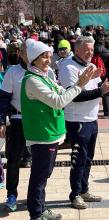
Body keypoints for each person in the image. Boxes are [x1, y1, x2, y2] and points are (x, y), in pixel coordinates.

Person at [21, 39, 96, 220]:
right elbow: (59, 101)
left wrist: (81, 82)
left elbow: (62, 92)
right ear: (33, 59)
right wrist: (79, 84)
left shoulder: (44, 77)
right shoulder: (32, 80)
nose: (49, 60)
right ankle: (36, 213)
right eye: (44, 57)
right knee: (39, 177)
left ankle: (41, 208)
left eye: (48, 56)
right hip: (41, 135)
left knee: (44, 176)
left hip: (51, 134)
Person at [58, 36, 109, 209]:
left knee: (88, 158)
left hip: (92, 118)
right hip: (77, 119)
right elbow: (75, 95)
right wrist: (101, 91)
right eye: (86, 50)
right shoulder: (68, 67)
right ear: (76, 49)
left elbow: (97, 88)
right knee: (78, 158)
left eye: (92, 50)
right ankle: (75, 194)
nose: (90, 53)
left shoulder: (92, 66)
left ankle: (84, 189)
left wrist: (108, 86)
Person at [0, 42, 33, 211]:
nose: (28, 54)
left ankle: (35, 194)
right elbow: (4, 99)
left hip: (38, 123)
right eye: (25, 51)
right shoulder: (12, 72)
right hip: (18, 120)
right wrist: (1, 122)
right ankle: (11, 194)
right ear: (20, 53)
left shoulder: (45, 71)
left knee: (41, 163)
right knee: (13, 160)